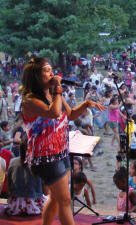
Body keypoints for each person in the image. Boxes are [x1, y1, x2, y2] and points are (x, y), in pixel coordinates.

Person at [21, 57, 105, 225]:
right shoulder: (29, 100)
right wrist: (58, 89)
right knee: (66, 200)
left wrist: (86, 104)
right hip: (45, 157)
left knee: (56, 198)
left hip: (61, 151)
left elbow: (70, 114)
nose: (52, 74)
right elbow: (52, 113)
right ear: (36, 76)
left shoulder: (54, 95)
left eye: (51, 70)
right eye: (46, 71)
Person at [5, 140, 47, 216]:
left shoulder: (12, 162)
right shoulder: (39, 163)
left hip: (15, 205)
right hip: (34, 203)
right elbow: (45, 190)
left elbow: (9, 184)